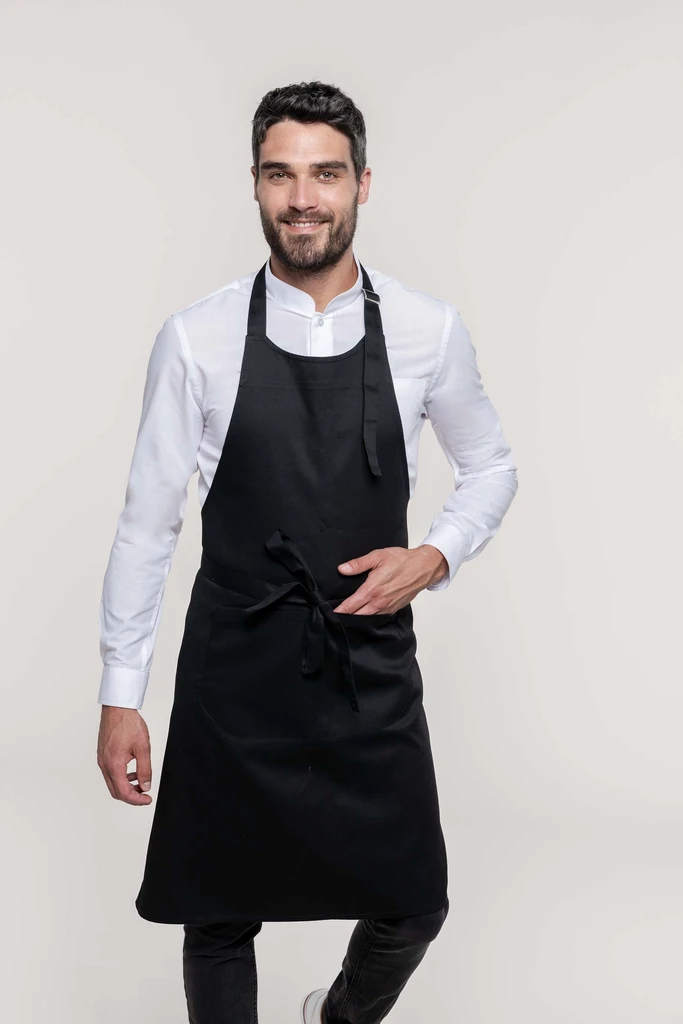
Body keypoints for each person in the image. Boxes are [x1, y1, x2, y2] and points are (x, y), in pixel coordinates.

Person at [96, 80, 518, 1024]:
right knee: (217, 913)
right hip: (234, 669)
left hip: (367, 664)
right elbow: (147, 524)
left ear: (362, 183)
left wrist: (433, 556)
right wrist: (120, 695)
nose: (302, 199)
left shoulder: (427, 330)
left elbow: (490, 466)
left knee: (413, 903)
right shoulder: (197, 337)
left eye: (325, 174)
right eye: (280, 174)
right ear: (253, 184)